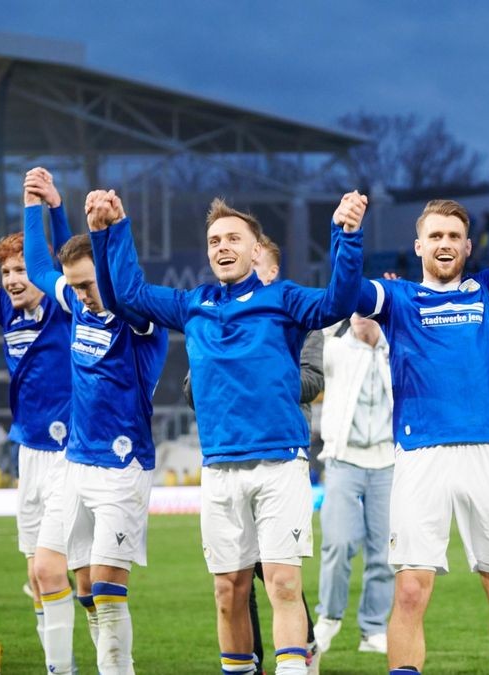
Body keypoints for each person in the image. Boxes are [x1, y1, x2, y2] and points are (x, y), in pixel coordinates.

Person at [92, 187, 365, 675]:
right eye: (215, 239)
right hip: (219, 468)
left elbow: (339, 300)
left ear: (255, 249)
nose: (222, 246)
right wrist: (112, 230)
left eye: (233, 238)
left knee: (282, 583)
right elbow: (126, 296)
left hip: (280, 462)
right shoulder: (192, 304)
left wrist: (346, 234)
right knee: (227, 592)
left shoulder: (283, 299)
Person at [354, 170, 489, 675]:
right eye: (435, 236)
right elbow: (345, 295)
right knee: (409, 589)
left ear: (468, 246)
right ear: (418, 245)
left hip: (488, 450)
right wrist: (347, 234)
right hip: (420, 452)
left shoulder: (486, 291)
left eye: (453, 236)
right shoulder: (398, 298)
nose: (444, 244)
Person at [22, 168, 168, 674]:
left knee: (105, 584)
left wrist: (109, 231)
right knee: (63, 578)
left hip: (122, 470)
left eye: (89, 285)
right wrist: (43, 206)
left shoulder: (137, 317)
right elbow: (44, 266)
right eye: (77, 286)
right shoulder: (81, 308)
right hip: (74, 464)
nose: (82, 293)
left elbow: (110, 279)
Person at [181, 234, 326, 674]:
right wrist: (227, 375)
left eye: (257, 263)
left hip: (279, 450)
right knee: (235, 583)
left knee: (279, 576)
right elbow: (193, 385)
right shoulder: (214, 318)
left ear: (271, 270)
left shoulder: (299, 313)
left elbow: (314, 379)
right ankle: (257, 661)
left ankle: (305, 648)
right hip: (229, 453)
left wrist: (264, 377)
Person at [0, 189, 73, 657]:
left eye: (21, 270)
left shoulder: (63, 309)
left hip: (71, 452)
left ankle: (90, 652)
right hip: (29, 451)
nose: (10, 279)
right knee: (35, 574)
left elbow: (70, 261)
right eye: (5, 271)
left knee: (59, 573)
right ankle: (56, 660)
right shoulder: (6, 312)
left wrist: (54, 209)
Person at [312, 312, 395, 658]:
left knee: (386, 551)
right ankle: (329, 616)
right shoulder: (334, 349)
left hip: (388, 460)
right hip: (343, 459)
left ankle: (373, 628)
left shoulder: (397, 349)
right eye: (356, 311)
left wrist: (393, 311)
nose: (362, 318)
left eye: (369, 310)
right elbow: (311, 336)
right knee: (339, 542)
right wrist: (340, 306)